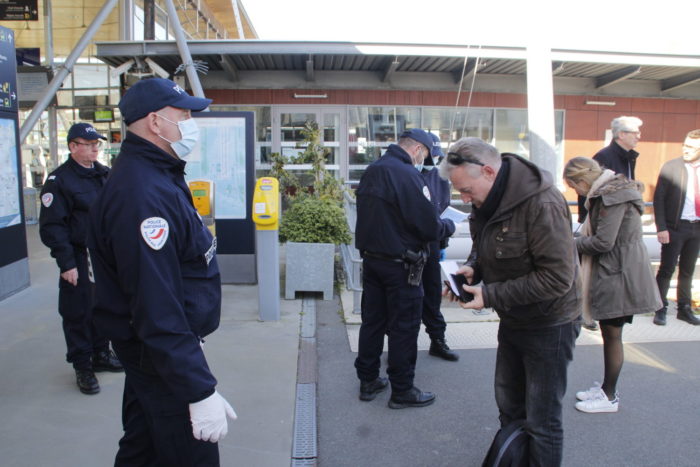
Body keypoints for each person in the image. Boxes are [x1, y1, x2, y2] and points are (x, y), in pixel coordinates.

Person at [87, 78, 236, 465]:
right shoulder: (142, 193)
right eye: (183, 114)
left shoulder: (157, 174)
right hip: (159, 354)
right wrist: (198, 390)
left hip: (158, 351)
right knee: (190, 456)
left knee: (144, 449)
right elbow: (156, 303)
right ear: (155, 122)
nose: (190, 122)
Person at [439, 137, 580, 466]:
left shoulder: (542, 202)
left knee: (542, 421)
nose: (465, 199)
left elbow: (558, 278)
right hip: (514, 318)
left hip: (551, 323)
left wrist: (488, 294)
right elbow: (485, 245)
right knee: (510, 409)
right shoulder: (485, 200)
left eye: (468, 191)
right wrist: (474, 267)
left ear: (488, 171)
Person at [354, 128, 455, 409]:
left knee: (372, 323)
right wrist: (448, 226)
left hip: (373, 261)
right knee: (404, 327)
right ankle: (402, 389)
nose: (425, 162)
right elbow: (427, 224)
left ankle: (368, 380)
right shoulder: (407, 174)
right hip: (401, 266)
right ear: (418, 150)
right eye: (426, 156)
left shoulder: (373, 170)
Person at [564, 157, 661, 413]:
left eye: (575, 187)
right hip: (619, 268)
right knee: (610, 333)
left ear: (582, 181)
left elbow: (602, 243)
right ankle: (607, 388)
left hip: (620, 271)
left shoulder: (610, 197)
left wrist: (566, 244)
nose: (577, 192)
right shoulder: (613, 190)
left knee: (613, 334)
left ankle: (609, 396)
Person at [39, 122, 122, 395]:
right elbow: (53, 227)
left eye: (96, 144)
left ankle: (101, 354)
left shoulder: (103, 175)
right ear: (73, 147)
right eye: (88, 144)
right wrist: (67, 264)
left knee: (103, 306)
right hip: (78, 255)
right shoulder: (59, 181)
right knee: (78, 312)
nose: (95, 148)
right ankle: (83, 366)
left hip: (103, 256)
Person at [577, 115, 644, 330]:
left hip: (618, 235)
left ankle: (594, 313)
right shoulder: (606, 157)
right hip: (607, 231)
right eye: (635, 133)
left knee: (614, 329)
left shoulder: (627, 157)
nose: (639, 137)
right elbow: (591, 196)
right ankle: (590, 313)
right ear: (621, 134)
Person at [652, 129, 700, 326]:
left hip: (696, 227)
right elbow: (658, 199)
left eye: (691, 147)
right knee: (666, 269)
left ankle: (684, 309)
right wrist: (661, 227)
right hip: (675, 227)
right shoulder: (671, 167)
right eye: (685, 145)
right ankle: (659, 308)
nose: (686, 149)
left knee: (688, 270)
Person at [420, 132, 459, 361]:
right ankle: (397, 344)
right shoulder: (407, 174)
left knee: (432, 296)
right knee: (403, 299)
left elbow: (444, 207)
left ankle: (437, 340)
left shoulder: (440, 177)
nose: (433, 161)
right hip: (410, 245)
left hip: (433, 243)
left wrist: (443, 241)